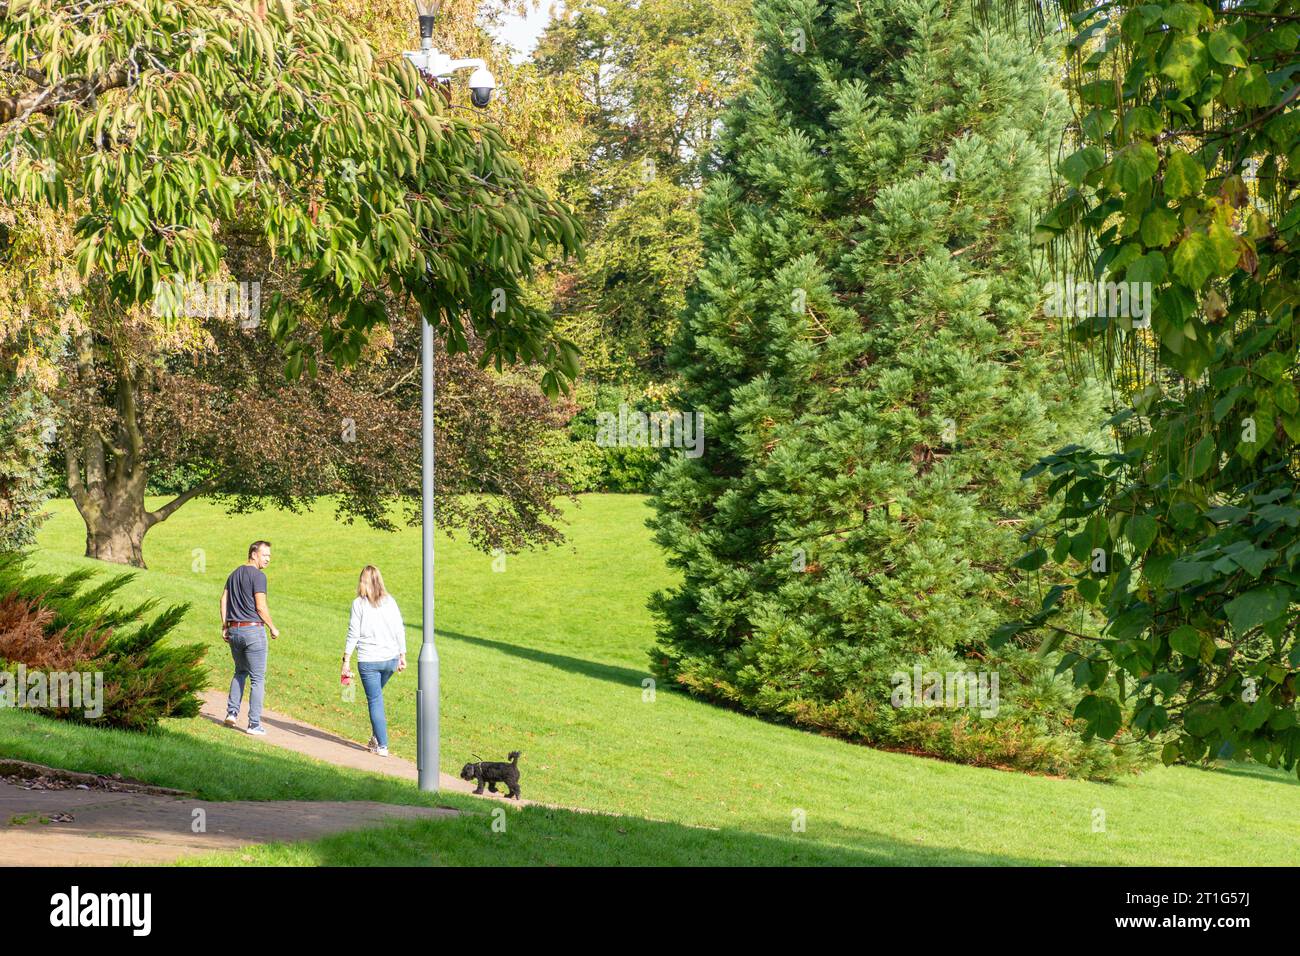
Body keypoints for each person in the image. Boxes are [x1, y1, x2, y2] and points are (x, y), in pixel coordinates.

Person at [341, 566, 406, 756]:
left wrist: (346, 659)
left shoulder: (358, 604)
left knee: (375, 700)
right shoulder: (390, 601)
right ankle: (376, 738)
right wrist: (402, 655)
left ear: (363, 582)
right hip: (390, 660)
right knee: (377, 696)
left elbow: (353, 632)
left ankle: (382, 745)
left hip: (369, 660)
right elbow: (399, 628)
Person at [220, 540, 279, 736]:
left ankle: (232, 712)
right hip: (253, 631)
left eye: (269, 556)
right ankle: (254, 724)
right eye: (265, 555)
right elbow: (260, 606)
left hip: (234, 631)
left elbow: (223, 600)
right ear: (254, 554)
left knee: (240, 672)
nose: (268, 559)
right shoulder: (258, 576)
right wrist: (272, 627)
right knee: (258, 679)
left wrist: (224, 625)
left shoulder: (234, 573)